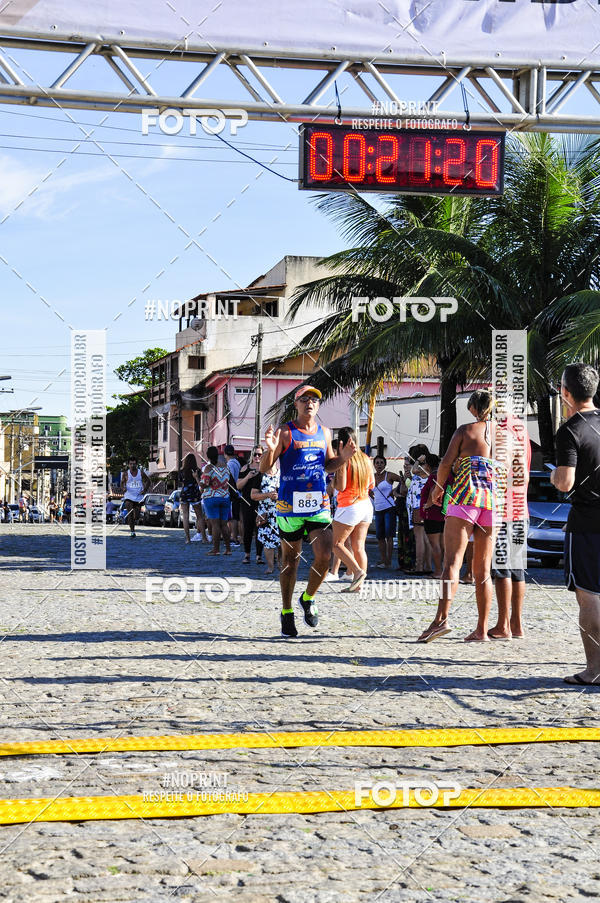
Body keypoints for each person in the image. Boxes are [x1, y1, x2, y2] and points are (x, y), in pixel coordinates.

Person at [261, 385, 356, 638]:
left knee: (325, 555)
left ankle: (308, 597)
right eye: (305, 399)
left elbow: (329, 464)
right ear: (297, 404)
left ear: (318, 405)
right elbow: (265, 469)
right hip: (288, 505)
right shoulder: (284, 432)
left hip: (318, 504)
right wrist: (270, 449)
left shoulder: (325, 432)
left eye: (314, 399)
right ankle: (287, 611)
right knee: (290, 562)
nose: (310, 403)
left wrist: (344, 458)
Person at [417, 390, 505, 643]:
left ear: (473, 408)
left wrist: (437, 489)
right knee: (483, 570)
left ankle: (440, 620)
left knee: (452, 563)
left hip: (465, 496)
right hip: (493, 501)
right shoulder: (504, 435)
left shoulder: (465, 431)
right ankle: (481, 629)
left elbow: (445, 463)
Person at [551, 364, 600, 685]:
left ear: (565, 393)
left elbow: (565, 483)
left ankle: (595, 670)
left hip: (587, 523)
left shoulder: (570, 430)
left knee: (590, 596)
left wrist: (555, 473)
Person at [488, 419, 532, 640]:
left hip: (504, 511)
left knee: (502, 569)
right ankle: (517, 624)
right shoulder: (522, 432)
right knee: (517, 569)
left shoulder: (501, 434)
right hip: (521, 509)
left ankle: (503, 624)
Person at [332, 426, 375, 593]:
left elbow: (341, 487)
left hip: (349, 504)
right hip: (365, 504)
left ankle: (357, 572)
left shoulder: (344, 459)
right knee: (359, 546)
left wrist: (338, 470)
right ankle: (358, 586)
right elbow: (372, 484)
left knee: (337, 544)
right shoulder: (365, 458)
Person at [201, 446, 232, 556]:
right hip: (225, 497)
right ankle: (228, 549)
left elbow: (204, 483)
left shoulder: (208, 468)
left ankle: (216, 549)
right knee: (224, 524)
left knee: (215, 525)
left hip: (212, 497)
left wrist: (196, 478)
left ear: (208, 456)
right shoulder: (225, 466)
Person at [251, 460, 280, 574]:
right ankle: (270, 566)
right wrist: (267, 495)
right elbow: (253, 495)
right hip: (266, 514)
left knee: (282, 541)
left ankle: (281, 564)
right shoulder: (260, 476)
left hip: (282, 512)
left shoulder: (282, 475)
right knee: (268, 542)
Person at [371, 455, 400, 569]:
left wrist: (394, 491)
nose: (379, 465)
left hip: (389, 508)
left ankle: (388, 561)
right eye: (377, 463)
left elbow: (403, 480)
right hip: (378, 509)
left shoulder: (389, 475)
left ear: (385, 464)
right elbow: (367, 489)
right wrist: (373, 497)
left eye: (381, 463)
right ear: (374, 465)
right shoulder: (371, 477)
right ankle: (383, 559)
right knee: (380, 536)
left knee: (389, 535)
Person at [237, 446, 264, 564]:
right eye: (255, 454)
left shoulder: (265, 468)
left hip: (261, 502)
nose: (257, 457)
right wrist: (248, 477)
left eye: (259, 454)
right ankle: (247, 554)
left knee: (260, 528)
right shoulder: (245, 468)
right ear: (252, 455)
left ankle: (259, 555)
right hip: (247, 501)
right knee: (247, 528)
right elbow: (238, 486)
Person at [420, 453, 444, 579]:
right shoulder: (442, 475)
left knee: (435, 545)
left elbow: (434, 490)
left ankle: (439, 571)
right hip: (442, 514)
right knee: (442, 544)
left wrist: (427, 505)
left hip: (433, 514)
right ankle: (443, 570)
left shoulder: (433, 476)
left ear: (428, 465)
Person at [407, 453, 432, 574]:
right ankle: (427, 566)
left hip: (418, 508)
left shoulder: (424, 475)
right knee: (426, 538)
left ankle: (419, 566)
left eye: (423, 463)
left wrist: (417, 459)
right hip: (425, 508)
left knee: (419, 539)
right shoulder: (429, 476)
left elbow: (414, 469)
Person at [179, 453, 207, 544]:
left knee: (185, 517)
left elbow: (181, 482)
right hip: (194, 494)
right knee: (200, 516)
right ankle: (203, 538)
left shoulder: (182, 471)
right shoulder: (198, 471)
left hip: (184, 494)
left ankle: (188, 539)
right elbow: (201, 483)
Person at [120, 457, 151, 537]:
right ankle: (132, 531)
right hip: (128, 496)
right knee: (130, 513)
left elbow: (148, 481)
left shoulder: (141, 473)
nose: (132, 465)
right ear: (128, 464)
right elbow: (122, 483)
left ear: (136, 464)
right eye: (131, 464)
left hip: (138, 497)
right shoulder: (126, 474)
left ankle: (134, 521)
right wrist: (123, 488)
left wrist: (145, 490)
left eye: (134, 464)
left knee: (136, 516)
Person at [224, 444, 241, 546]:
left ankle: (233, 537)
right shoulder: (237, 463)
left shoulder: (230, 464)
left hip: (232, 492)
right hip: (238, 491)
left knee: (233, 517)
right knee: (236, 516)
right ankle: (235, 536)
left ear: (225, 454)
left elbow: (229, 479)